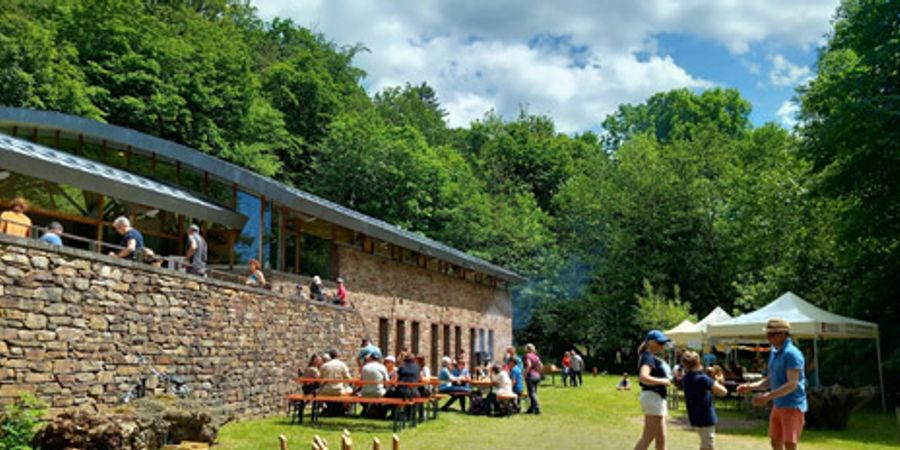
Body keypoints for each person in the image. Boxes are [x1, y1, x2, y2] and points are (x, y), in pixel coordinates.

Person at [737, 318, 807, 450]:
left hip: (792, 405)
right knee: (775, 441)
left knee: (790, 444)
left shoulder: (792, 354)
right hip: (778, 404)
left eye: (771, 335)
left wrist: (768, 396)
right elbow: (771, 378)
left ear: (783, 334)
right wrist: (751, 386)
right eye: (767, 335)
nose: (768, 338)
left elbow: (792, 384)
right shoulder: (774, 352)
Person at [634, 330, 672, 450]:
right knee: (648, 437)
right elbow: (643, 377)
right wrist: (663, 381)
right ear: (650, 343)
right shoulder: (648, 357)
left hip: (655, 398)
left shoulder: (649, 357)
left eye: (663, 343)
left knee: (661, 437)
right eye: (660, 343)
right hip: (653, 397)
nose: (663, 345)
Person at [682, 351, 727, 450]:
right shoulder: (703, 379)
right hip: (706, 417)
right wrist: (716, 379)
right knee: (708, 445)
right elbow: (723, 392)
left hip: (695, 416)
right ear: (699, 362)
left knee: (705, 443)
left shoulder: (686, 378)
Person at [523, 343, 543, 415]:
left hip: (530, 376)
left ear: (527, 349)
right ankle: (531, 408)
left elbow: (529, 365)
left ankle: (537, 408)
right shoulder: (536, 356)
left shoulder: (527, 356)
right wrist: (538, 372)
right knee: (534, 393)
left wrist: (525, 373)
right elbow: (541, 365)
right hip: (537, 376)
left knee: (531, 393)